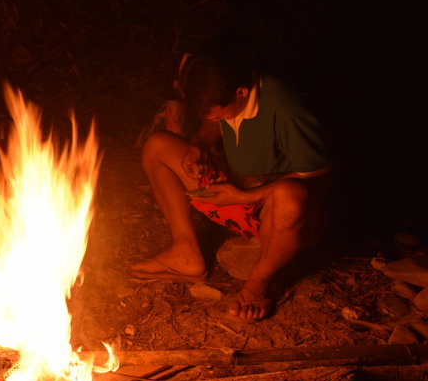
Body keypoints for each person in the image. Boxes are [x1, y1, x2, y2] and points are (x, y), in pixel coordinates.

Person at [130, 49, 332, 320]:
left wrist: (242, 197)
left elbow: (320, 177)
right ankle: (185, 251)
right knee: (158, 146)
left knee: (290, 195)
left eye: (218, 116)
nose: (215, 121)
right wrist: (200, 144)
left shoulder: (287, 109)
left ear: (241, 92)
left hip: (277, 212)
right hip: (238, 191)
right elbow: (215, 117)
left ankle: (259, 284)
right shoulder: (228, 92)